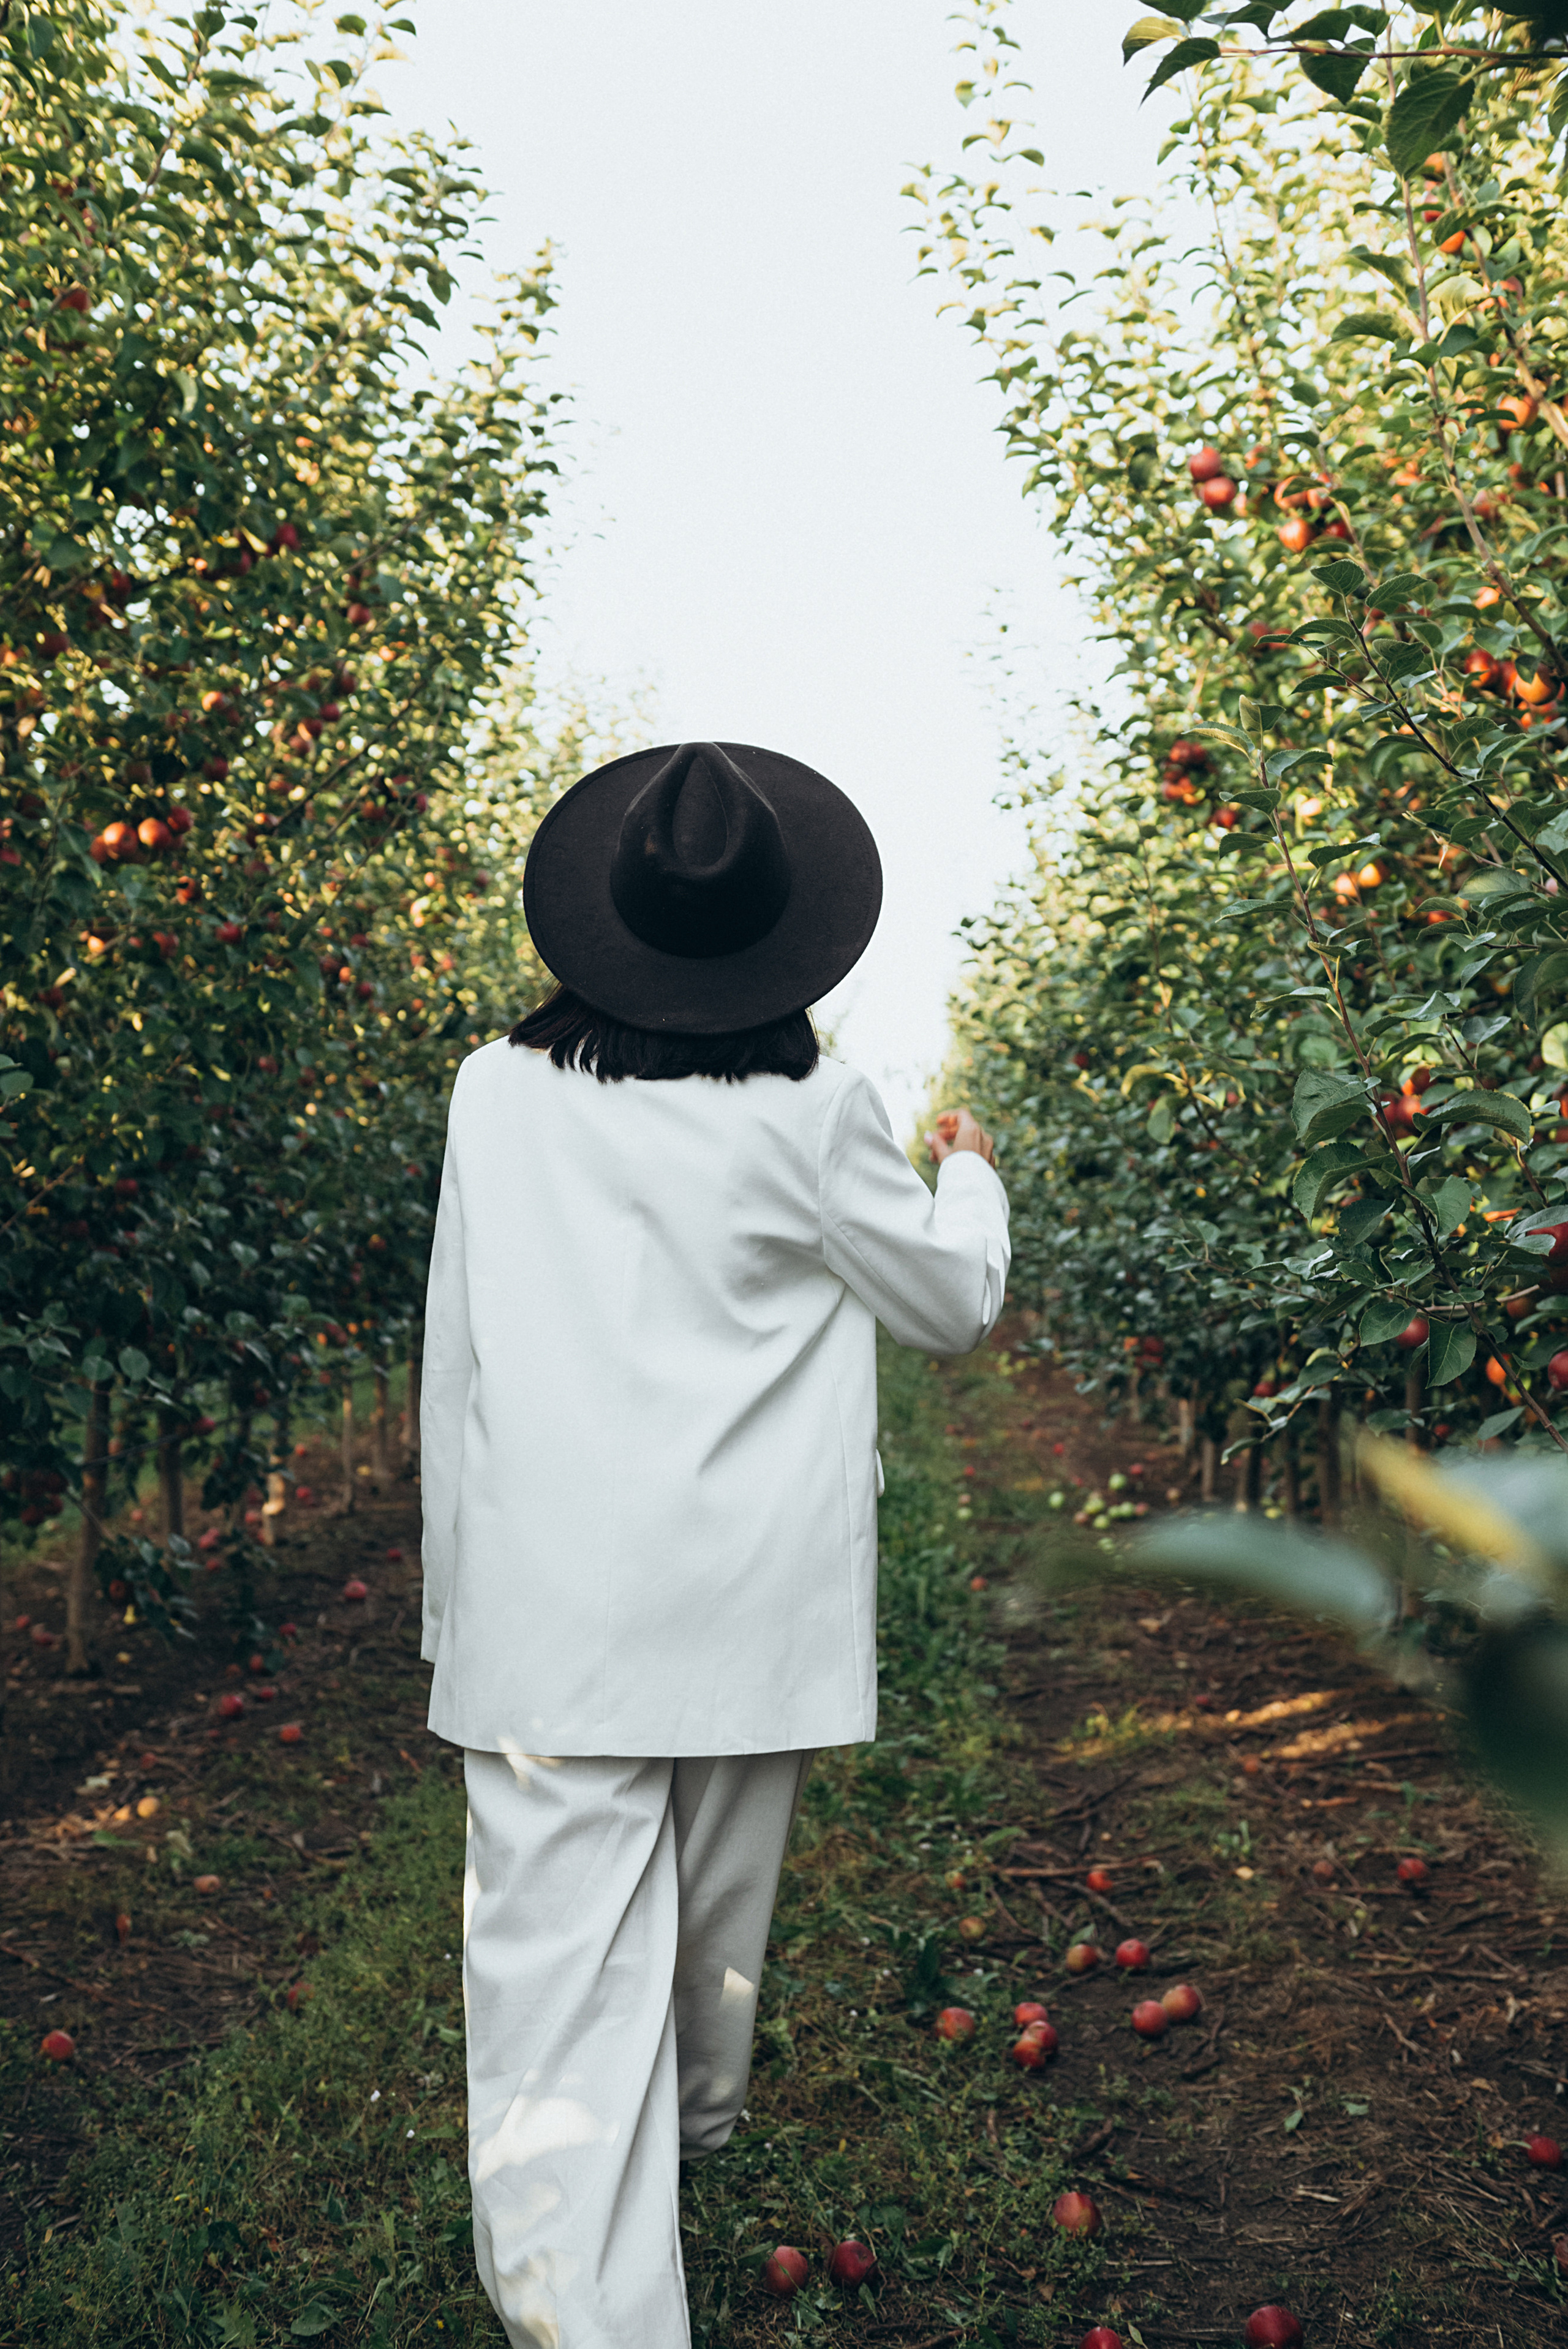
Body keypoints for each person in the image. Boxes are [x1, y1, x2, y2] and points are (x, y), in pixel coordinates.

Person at [419, 737, 1009, 2347]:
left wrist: (447, 1608)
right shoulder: (818, 1115)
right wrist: (970, 1181)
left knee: (557, 1986)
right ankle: (672, 2155)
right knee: (709, 1934)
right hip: (747, 1616)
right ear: (779, 944)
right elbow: (952, 1307)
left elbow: (453, 1357)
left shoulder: (493, 1094)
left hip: (550, 1615)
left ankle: (591, 2272)